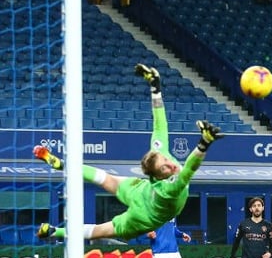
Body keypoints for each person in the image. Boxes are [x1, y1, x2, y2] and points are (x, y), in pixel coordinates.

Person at [35, 64, 224, 241]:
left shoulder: (159, 155)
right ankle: (55, 228)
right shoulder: (169, 189)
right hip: (142, 216)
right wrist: (204, 143)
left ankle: (60, 174)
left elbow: (160, 123)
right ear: (158, 177)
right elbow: (190, 168)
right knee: (101, 230)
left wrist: (155, 88)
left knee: (105, 179)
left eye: (166, 160)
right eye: (165, 168)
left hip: (140, 191)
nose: (170, 164)